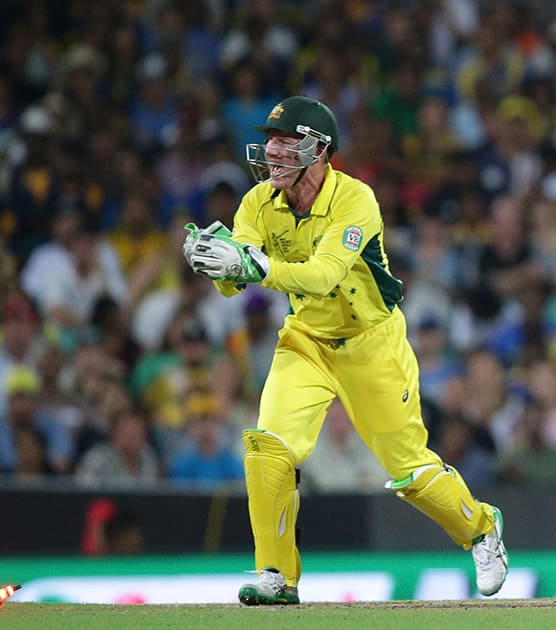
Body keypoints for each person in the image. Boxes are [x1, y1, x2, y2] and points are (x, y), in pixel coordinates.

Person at [182, 95, 508, 605]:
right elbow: (235, 281)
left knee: (410, 470)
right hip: (306, 340)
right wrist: (213, 261)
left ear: (319, 149)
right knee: (268, 447)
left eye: (286, 143)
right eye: (270, 141)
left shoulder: (355, 199)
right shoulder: (257, 203)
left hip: (371, 342)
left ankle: (481, 529)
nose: (272, 152)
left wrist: (256, 267)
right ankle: (277, 574)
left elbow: (322, 275)